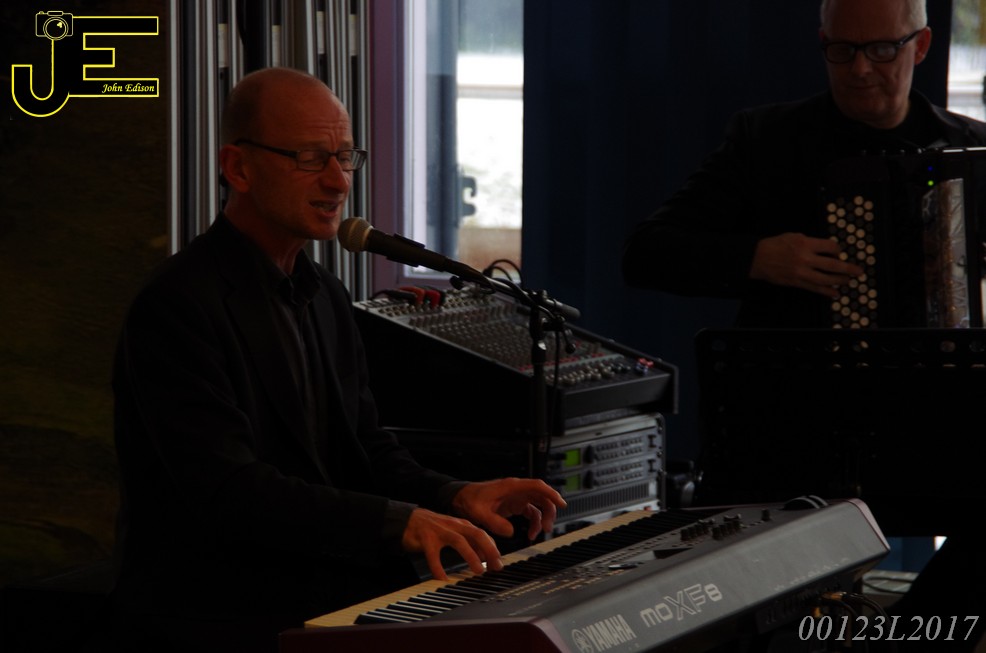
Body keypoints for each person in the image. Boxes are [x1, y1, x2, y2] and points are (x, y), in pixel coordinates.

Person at [108, 66, 566, 653]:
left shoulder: (323, 293)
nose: (338, 181)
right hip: (214, 617)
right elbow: (230, 491)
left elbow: (365, 449)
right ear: (238, 168)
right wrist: (399, 522)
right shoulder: (177, 304)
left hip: (322, 595)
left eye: (346, 157)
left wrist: (455, 494)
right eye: (310, 158)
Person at [623, 0, 984, 650]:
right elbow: (646, 252)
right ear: (822, 42)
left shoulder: (968, 149)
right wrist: (758, 257)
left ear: (922, 45)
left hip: (927, 426)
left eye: (882, 50)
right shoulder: (766, 141)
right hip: (791, 427)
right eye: (842, 50)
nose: (861, 69)